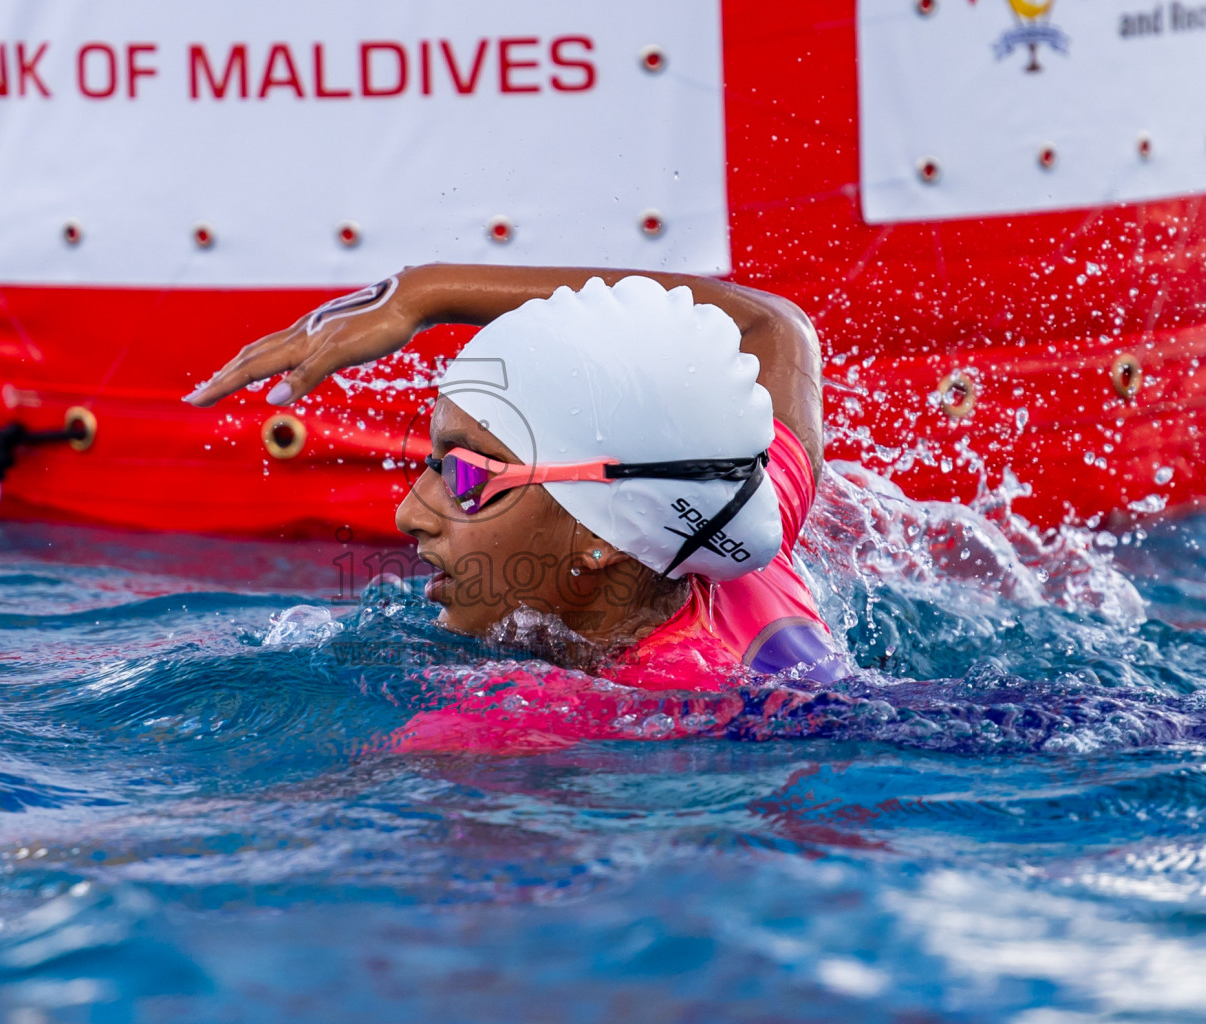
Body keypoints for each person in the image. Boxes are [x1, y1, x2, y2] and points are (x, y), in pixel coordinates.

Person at [187, 265, 848, 752]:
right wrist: (424, 292)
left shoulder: (584, 712)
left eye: (469, 474)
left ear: (602, 536)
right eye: (432, 464)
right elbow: (773, 326)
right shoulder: (728, 520)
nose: (410, 514)